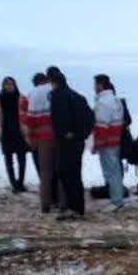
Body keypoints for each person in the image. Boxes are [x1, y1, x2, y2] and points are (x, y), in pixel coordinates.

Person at [49, 68, 94, 220]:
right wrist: (81, 134)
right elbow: (90, 118)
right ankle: (77, 207)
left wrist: (66, 133)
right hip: (78, 141)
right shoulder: (77, 96)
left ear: (53, 82)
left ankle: (73, 208)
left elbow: (59, 119)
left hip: (66, 141)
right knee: (74, 173)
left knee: (66, 173)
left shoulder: (57, 96)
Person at [24, 71, 59, 213]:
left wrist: (31, 139)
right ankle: (60, 201)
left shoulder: (33, 94)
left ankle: (46, 204)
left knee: (45, 172)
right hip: (58, 136)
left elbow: (30, 120)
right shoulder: (55, 89)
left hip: (42, 137)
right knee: (59, 170)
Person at [92, 74, 125, 212]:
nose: (94, 88)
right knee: (115, 170)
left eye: (95, 85)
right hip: (115, 139)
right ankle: (116, 198)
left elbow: (101, 126)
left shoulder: (103, 102)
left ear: (100, 85)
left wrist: (97, 144)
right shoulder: (116, 100)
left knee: (111, 171)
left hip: (107, 142)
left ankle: (116, 201)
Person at [0, 77, 30, 193]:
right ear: (3, 86)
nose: (9, 86)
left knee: (22, 159)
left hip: (20, 131)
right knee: (8, 160)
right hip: (6, 131)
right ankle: (14, 184)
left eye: (11, 84)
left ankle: (20, 183)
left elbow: (28, 111)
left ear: (15, 85)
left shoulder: (21, 97)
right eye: (6, 84)